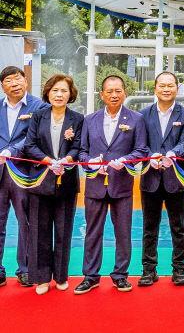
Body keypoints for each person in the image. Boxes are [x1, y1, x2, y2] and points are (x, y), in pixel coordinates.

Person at [75, 75, 148, 294]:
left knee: (123, 233)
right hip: (95, 184)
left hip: (122, 184)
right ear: (102, 95)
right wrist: (90, 163)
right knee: (92, 232)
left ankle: (120, 275)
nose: (114, 95)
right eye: (109, 91)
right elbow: (82, 151)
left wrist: (125, 161)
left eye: (118, 90)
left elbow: (142, 150)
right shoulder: (89, 119)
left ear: (125, 92)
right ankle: (90, 276)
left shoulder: (136, 119)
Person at [22, 74, 83, 295]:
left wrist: (66, 161)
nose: (59, 94)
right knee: (40, 230)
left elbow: (78, 147)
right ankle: (41, 279)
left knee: (64, 231)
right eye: (55, 90)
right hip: (40, 180)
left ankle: (61, 276)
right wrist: (49, 161)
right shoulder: (37, 116)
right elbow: (30, 145)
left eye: (64, 91)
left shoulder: (77, 118)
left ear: (70, 94)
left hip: (66, 180)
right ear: (48, 93)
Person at [138, 72, 184, 287]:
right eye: (162, 85)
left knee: (179, 226)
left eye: (170, 85)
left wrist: (172, 154)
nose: (166, 89)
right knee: (149, 227)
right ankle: (148, 270)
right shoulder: (143, 115)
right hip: (150, 177)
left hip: (176, 178)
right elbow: (140, 143)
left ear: (177, 88)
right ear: (155, 88)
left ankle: (179, 269)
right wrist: (150, 155)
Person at [0, 65, 48, 288]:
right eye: (9, 80)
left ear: (26, 82)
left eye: (18, 79)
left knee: (26, 222)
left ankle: (26, 269)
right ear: (3, 86)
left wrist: (10, 151)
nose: (15, 84)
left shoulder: (39, 107)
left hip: (24, 173)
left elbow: (33, 136)